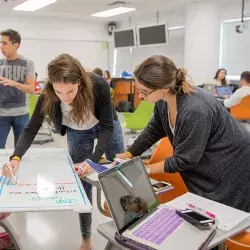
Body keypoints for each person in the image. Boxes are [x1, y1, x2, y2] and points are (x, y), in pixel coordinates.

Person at [2, 53, 124, 250]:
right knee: (83, 183)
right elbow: (31, 128)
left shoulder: (98, 84)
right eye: (59, 92)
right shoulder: (48, 92)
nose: (65, 98)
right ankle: (86, 239)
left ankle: (125, 229)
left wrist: (93, 161)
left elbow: (108, 127)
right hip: (77, 131)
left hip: (105, 126)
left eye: (70, 91)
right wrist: (16, 157)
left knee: (118, 172)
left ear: (80, 84)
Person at [115, 55, 250, 212]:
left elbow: (184, 160)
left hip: (232, 167)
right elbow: (153, 130)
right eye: (138, 90)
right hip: (209, 162)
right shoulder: (163, 102)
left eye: (144, 91)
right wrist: (129, 153)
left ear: (164, 87)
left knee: (221, 219)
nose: (139, 96)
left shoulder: (195, 109)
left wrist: (146, 169)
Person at [0, 29, 36, 148]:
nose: (1, 46)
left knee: (21, 150)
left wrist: (14, 83)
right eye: (0, 43)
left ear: (16, 45)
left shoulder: (27, 63)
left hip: (21, 114)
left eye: (4, 43)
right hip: (1, 114)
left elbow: (31, 89)